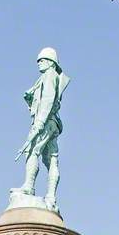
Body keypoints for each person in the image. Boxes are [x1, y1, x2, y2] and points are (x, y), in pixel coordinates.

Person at [16, 47, 69, 209]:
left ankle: (28, 186)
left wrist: (39, 123)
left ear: (51, 62)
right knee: (50, 158)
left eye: (42, 60)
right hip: (53, 122)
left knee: (32, 151)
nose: (39, 63)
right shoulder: (47, 77)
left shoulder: (49, 76)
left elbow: (48, 99)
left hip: (45, 120)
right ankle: (51, 197)